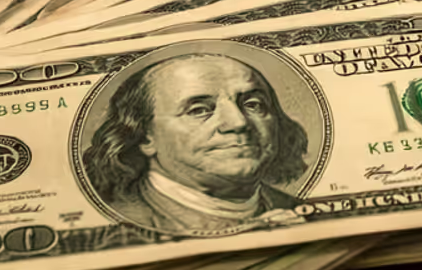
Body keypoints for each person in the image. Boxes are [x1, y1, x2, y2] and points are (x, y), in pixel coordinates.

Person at [82, 52, 311, 235]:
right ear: (144, 136)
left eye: (253, 104)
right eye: (199, 110)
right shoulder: (120, 222)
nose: (238, 122)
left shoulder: (305, 212)